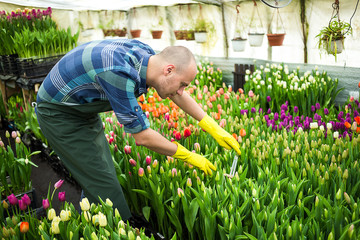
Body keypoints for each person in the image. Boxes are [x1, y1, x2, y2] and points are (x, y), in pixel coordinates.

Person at [35, 39, 241, 221]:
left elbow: (175, 94)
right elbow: (142, 137)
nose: (181, 91)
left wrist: (211, 126)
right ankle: (113, 228)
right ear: (168, 70)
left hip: (81, 108)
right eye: (183, 84)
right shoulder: (118, 74)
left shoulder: (148, 57)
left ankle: (88, 225)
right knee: (105, 187)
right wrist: (189, 156)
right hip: (60, 114)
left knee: (100, 176)